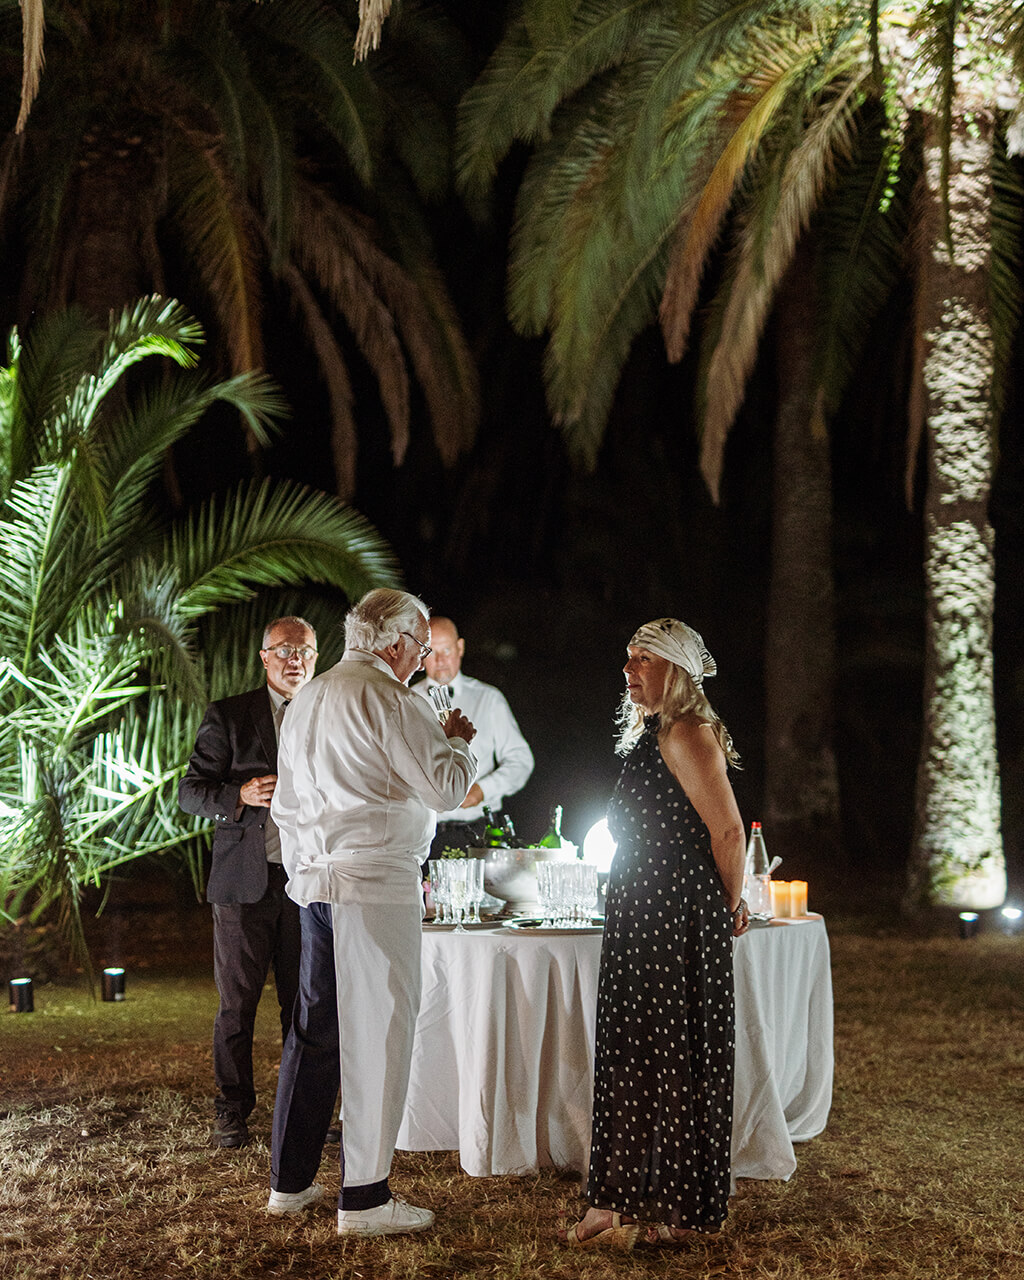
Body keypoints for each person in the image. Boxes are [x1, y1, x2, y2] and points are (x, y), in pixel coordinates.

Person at [266, 588, 477, 1236]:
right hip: (376, 884)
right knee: (380, 1036)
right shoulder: (392, 698)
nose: (419, 661)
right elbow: (445, 788)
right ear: (394, 643)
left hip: (315, 887)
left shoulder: (310, 699)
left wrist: (310, 865)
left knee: (314, 1032)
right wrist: (458, 742)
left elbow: (287, 804)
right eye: (417, 648)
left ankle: (290, 1182)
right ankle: (364, 1199)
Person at [564, 618, 749, 1251]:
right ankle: (616, 1198)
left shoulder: (689, 733)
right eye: (628, 656)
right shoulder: (655, 733)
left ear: (676, 670)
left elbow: (726, 832)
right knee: (634, 1052)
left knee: (668, 1052)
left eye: (644, 658)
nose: (629, 668)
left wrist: (726, 905)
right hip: (643, 913)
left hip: (675, 917)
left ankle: (673, 1206)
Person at [178, 616, 318, 1149]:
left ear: (315, 657)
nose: (293, 660)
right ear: (264, 658)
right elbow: (191, 792)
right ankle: (231, 1109)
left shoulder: (327, 712)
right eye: (282, 650)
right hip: (244, 885)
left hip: (309, 884)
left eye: (302, 650)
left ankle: (301, 1106)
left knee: (302, 1005)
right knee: (237, 1006)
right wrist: (240, 794)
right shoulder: (231, 715)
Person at [417, 616, 533, 853]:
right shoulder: (407, 701)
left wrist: (483, 790)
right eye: (431, 651)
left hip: (481, 829)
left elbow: (521, 761)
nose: (439, 660)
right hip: (423, 833)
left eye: (447, 649)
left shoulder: (488, 699)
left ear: (460, 647)